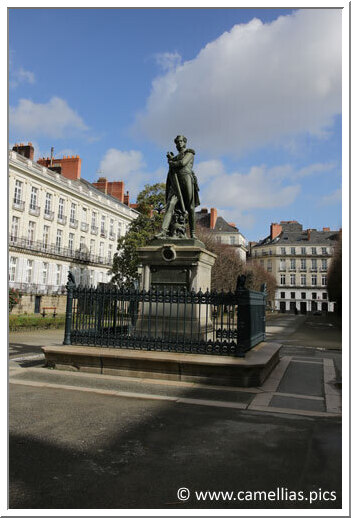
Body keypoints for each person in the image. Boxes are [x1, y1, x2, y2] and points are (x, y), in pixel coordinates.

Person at [156, 135, 200, 239]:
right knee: (170, 205)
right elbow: (174, 167)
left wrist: (171, 162)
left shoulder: (189, 152)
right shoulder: (174, 158)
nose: (179, 143)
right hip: (176, 183)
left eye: (181, 141)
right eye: (177, 142)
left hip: (186, 180)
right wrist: (171, 161)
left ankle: (193, 233)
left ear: (185, 142)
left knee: (190, 207)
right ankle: (163, 231)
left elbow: (182, 163)